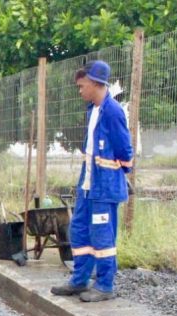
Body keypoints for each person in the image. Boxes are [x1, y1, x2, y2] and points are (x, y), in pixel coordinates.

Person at [51, 60, 133, 302]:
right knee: (79, 231)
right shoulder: (92, 110)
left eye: (82, 85)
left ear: (97, 84)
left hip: (104, 188)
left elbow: (124, 150)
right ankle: (79, 280)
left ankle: (105, 285)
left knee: (102, 237)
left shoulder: (113, 111)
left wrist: (120, 174)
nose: (80, 90)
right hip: (88, 185)